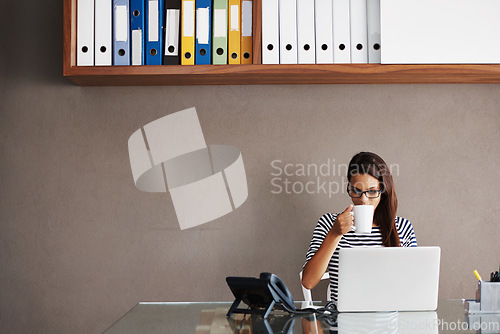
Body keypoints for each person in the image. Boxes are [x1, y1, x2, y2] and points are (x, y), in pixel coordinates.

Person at [301, 152, 417, 303]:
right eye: (356, 191)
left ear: (384, 191)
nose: (363, 200)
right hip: (341, 320)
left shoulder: (402, 227)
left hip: (388, 320)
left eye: (372, 191)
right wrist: (335, 234)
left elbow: (414, 286)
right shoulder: (329, 223)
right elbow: (308, 281)